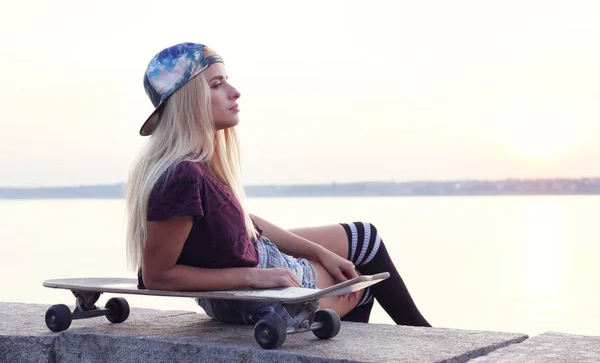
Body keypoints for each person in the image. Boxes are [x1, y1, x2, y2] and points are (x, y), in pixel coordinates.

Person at [125, 42, 431, 327]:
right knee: (363, 262)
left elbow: (244, 223)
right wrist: (255, 277)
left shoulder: (197, 165)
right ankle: (429, 341)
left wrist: (321, 252)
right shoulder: (182, 176)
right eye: (217, 85)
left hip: (255, 268)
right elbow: (156, 276)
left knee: (353, 256)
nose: (235, 92)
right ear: (188, 102)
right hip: (266, 295)